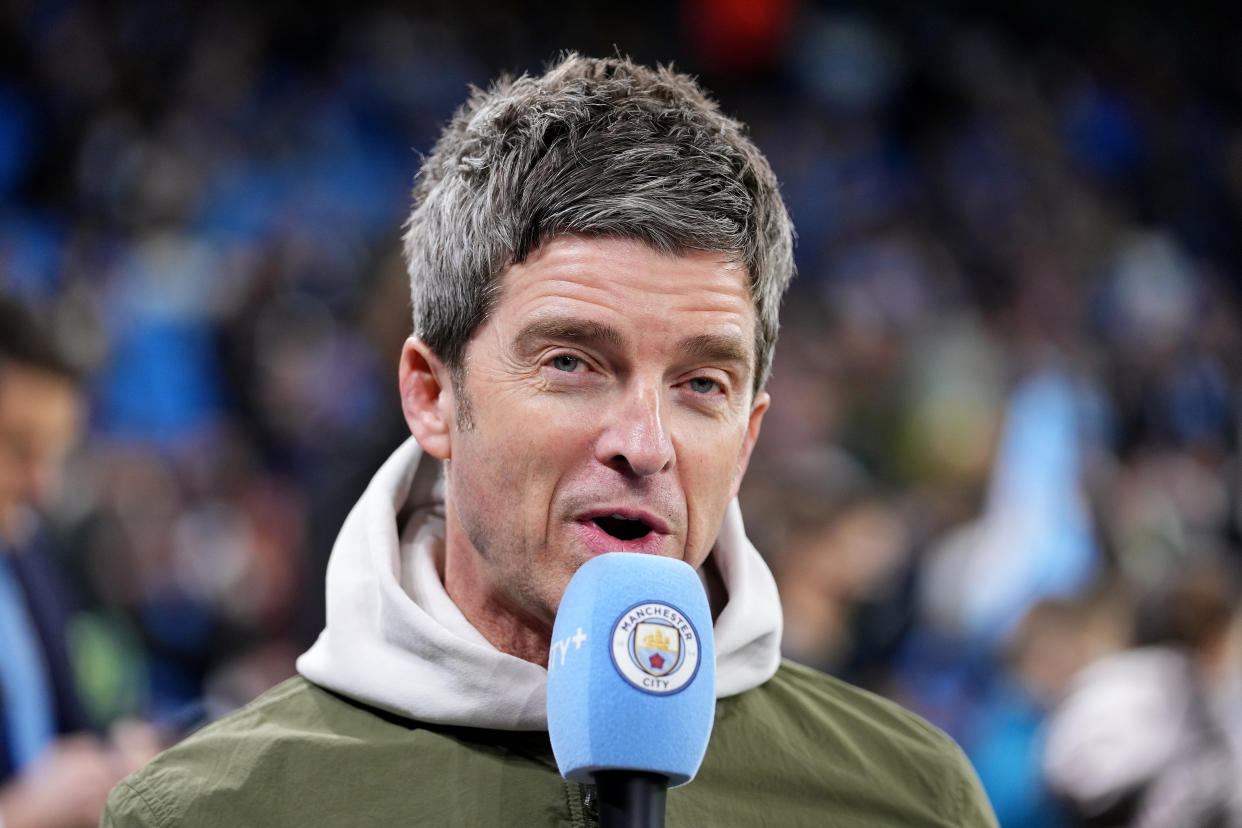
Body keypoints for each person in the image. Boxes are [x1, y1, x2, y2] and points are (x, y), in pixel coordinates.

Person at [103, 54, 998, 826]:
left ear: (750, 433)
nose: (645, 444)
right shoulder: (205, 813)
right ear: (431, 395)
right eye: (573, 362)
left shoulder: (914, 799)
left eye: (701, 384)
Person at [0, 296, 157, 828]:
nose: (42, 485)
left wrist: (116, 760)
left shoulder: (31, 557)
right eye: (19, 448)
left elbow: (70, 739)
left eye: (54, 452)